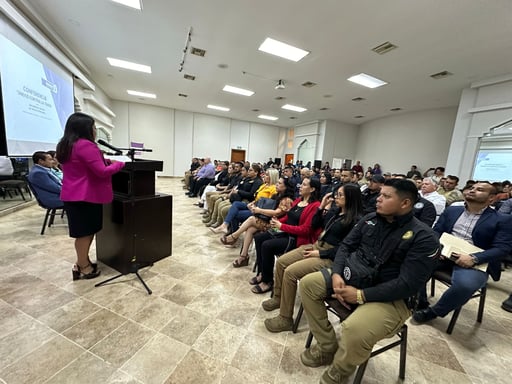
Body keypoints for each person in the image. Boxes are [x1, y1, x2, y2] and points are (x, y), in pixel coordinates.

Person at [298, 179, 439, 384]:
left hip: (392, 296)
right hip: (353, 276)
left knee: (354, 329)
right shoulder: (370, 219)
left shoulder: (424, 237)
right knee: (309, 284)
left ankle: (341, 369)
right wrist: (337, 274)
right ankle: (327, 346)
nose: (378, 199)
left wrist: (360, 295)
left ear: (405, 203)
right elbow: (345, 247)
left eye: (386, 196)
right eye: (380, 194)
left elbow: (408, 284)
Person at [262, 184, 363, 333]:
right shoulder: (336, 212)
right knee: (282, 262)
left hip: (329, 256)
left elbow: (346, 249)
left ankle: (285, 318)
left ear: (351, 198)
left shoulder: (356, 220)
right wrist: (321, 207)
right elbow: (315, 225)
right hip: (316, 245)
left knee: (290, 272)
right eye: (337, 194)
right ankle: (278, 298)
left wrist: (321, 254)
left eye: (340, 195)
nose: (336, 197)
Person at [413, 182, 512, 323]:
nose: (472, 191)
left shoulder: (503, 220)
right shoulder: (452, 211)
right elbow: (436, 232)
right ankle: (420, 302)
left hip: (475, 262)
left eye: (479, 190)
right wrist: (437, 247)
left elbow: (502, 249)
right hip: (443, 254)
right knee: (414, 264)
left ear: (491, 198)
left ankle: (433, 312)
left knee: (466, 285)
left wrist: (474, 258)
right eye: (472, 188)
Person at [56, 112, 125, 280]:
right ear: (85, 129)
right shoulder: (86, 145)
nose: (95, 130)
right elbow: (101, 172)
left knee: (83, 232)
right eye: (93, 127)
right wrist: (119, 164)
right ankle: (83, 267)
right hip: (86, 196)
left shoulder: (66, 145)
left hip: (73, 194)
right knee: (85, 233)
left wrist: (105, 160)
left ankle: (83, 261)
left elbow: (81, 166)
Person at [250, 177, 321, 294]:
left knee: (267, 246)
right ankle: (262, 273)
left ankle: (267, 281)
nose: (300, 186)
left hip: (297, 239)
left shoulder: (315, 206)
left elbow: (306, 230)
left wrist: (281, 226)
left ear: (312, 189)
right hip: (286, 233)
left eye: (304, 185)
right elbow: (289, 216)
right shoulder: (299, 200)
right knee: (259, 238)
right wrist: (277, 222)